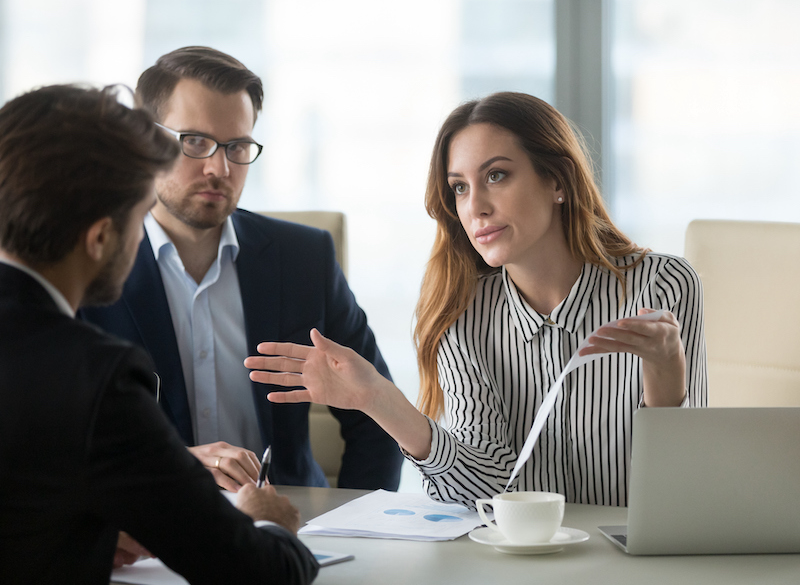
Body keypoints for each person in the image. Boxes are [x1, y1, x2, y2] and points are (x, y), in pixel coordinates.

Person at [245, 92, 707, 509]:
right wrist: (377, 399)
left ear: (557, 182)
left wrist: (665, 372)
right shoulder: (462, 314)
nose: (475, 206)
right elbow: (486, 491)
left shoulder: (661, 285)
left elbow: (688, 488)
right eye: (460, 187)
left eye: (497, 175)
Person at [0, 84, 318, 583]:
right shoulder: (94, 376)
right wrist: (268, 524)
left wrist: (87, 536)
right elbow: (261, 574)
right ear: (102, 237)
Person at [80, 46, 403, 491]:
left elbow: (377, 418)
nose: (220, 167)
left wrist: (353, 527)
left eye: (238, 146)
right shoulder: (88, 263)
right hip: (148, 533)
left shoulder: (303, 258)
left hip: (289, 528)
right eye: (194, 141)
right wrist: (175, 466)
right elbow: (54, 442)